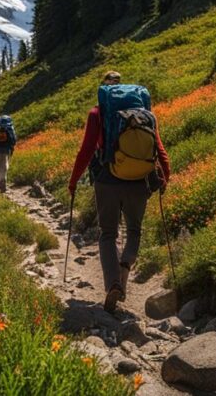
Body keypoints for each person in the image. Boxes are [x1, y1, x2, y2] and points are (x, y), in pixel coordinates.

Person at [68, 72, 170, 313]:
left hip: (107, 179)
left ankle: (113, 283)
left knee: (108, 234)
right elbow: (159, 146)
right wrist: (165, 174)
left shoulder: (97, 113)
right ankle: (125, 267)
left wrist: (73, 182)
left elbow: (86, 151)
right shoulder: (142, 112)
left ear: (104, 89)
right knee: (134, 230)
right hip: (139, 180)